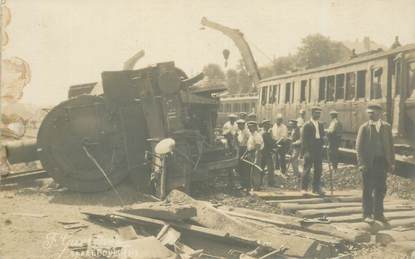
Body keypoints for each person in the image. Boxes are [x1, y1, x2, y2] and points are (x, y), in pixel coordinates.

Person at [356, 104, 395, 223]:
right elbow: (358, 147)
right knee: (367, 189)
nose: (370, 115)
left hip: (382, 162)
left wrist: (392, 162)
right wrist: (361, 163)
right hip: (368, 163)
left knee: (381, 188)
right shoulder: (364, 127)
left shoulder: (386, 127)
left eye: (372, 113)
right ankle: (366, 214)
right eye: (369, 113)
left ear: (379, 113)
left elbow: (391, 146)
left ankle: (378, 214)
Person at [301, 106, 325, 195]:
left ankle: (316, 188)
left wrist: (324, 139)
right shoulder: (307, 125)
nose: (318, 115)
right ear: (312, 113)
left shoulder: (321, 124)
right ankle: (304, 188)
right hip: (310, 149)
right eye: (316, 113)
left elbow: (322, 135)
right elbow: (304, 139)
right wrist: (305, 151)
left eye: (319, 113)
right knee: (307, 169)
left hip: (318, 148)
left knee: (318, 169)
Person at [246, 121, 264, 191]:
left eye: (251, 127)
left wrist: (256, 158)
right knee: (252, 171)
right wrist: (245, 154)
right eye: (249, 127)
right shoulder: (251, 135)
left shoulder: (257, 136)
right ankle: (253, 186)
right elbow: (249, 146)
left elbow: (258, 148)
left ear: (255, 127)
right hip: (251, 153)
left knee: (256, 171)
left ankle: (257, 186)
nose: (249, 129)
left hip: (256, 153)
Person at [236, 119, 250, 192]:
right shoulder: (239, 132)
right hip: (240, 149)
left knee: (245, 169)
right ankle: (242, 184)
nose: (238, 126)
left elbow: (249, 143)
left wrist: (246, 153)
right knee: (240, 168)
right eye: (238, 124)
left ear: (243, 124)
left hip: (245, 150)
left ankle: (247, 186)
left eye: (240, 124)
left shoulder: (247, 132)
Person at [260, 120, 275, 186]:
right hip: (266, 153)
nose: (269, 126)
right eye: (267, 125)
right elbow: (271, 143)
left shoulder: (262, 132)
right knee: (270, 168)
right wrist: (276, 143)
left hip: (262, 152)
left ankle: (260, 182)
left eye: (269, 124)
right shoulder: (265, 133)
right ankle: (271, 183)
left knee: (261, 167)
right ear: (264, 125)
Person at [288, 119, 301, 185]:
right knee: (293, 161)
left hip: (297, 147)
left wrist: (295, 143)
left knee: (293, 159)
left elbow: (300, 139)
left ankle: (297, 175)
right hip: (293, 147)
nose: (290, 126)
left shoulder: (298, 130)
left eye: (291, 124)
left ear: (295, 124)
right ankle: (296, 174)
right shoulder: (293, 129)